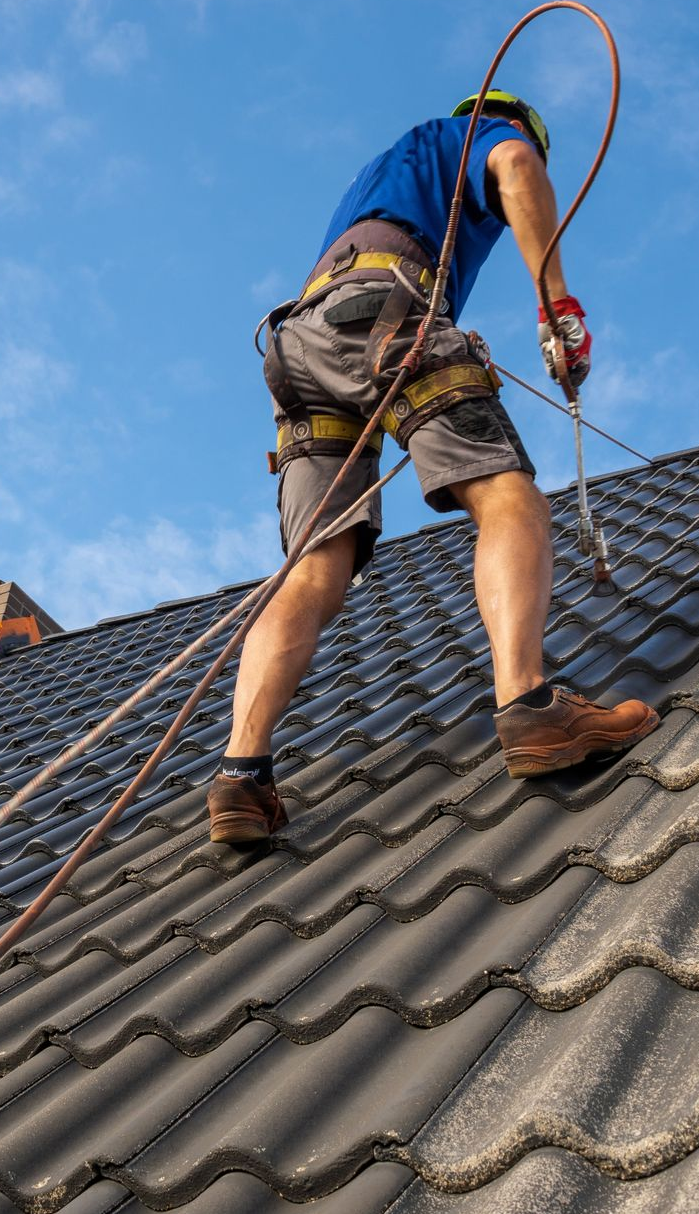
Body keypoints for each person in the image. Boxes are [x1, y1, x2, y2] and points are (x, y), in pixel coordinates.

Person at [207, 90, 659, 844]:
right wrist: (558, 310)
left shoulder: (384, 173)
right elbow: (513, 164)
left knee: (314, 567)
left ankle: (241, 778)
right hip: (385, 314)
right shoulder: (484, 136)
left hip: (301, 346)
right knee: (510, 498)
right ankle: (528, 704)